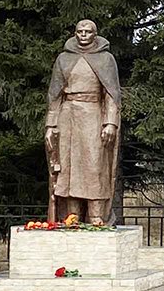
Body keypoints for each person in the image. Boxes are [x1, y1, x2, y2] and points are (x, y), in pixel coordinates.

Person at [45, 20, 121, 226]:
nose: (83, 35)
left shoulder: (106, 59)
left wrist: (111, 123)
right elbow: (54, 95)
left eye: (88, 32)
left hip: (93, 113)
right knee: (68, 167)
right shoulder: (64, 59)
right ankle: (73, 215)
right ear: (75, 33)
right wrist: (51, 125)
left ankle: (96, 215)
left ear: (95, 35)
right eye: (80, 31)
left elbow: (112, 95)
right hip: (67, 115)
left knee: (94, 164)